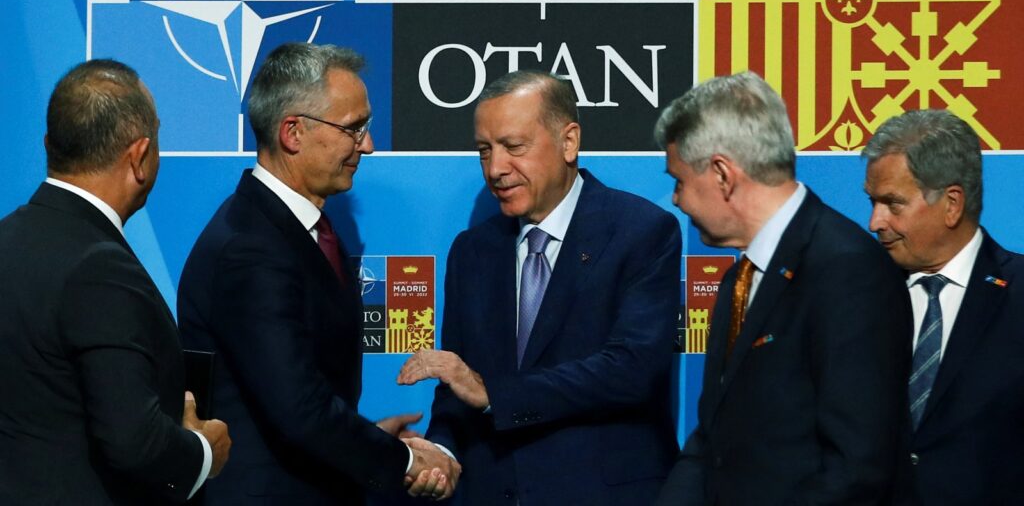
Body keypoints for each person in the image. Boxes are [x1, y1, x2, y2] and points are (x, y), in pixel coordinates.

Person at [177, 42, 458, 505]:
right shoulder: (250, 248)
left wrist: (369, 441)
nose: (366, 144)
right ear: (293, 132)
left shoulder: (296, 230)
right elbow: (298, 410)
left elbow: (291, 394)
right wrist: (405, 461)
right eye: (354, 128)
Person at [397, 70, 681, 505]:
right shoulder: (472, 251)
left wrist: (494, 393)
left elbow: (631, 370)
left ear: (569, 141)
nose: (495, 168)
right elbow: (459, 387)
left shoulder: (641, 232)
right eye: (484, 151)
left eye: (514, 147)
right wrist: (441, 452)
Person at [654, 71, 911, 506]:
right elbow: (712, 442)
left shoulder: (848, 271)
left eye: (679, 181)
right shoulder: (739, 280)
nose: (676, 200)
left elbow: (856, 466)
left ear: (722, 175)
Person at [0, 60, 230, 505]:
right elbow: (132, 441)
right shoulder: (99, 267)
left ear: (50, 145)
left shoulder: (7, 239)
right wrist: (205, 452)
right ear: (140, 157)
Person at [863, 109, 1024, 505]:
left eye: (892, 204)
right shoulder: (856, 293)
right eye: (872, 202)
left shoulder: (1018, 294)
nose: (874, 221)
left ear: (952, 204)